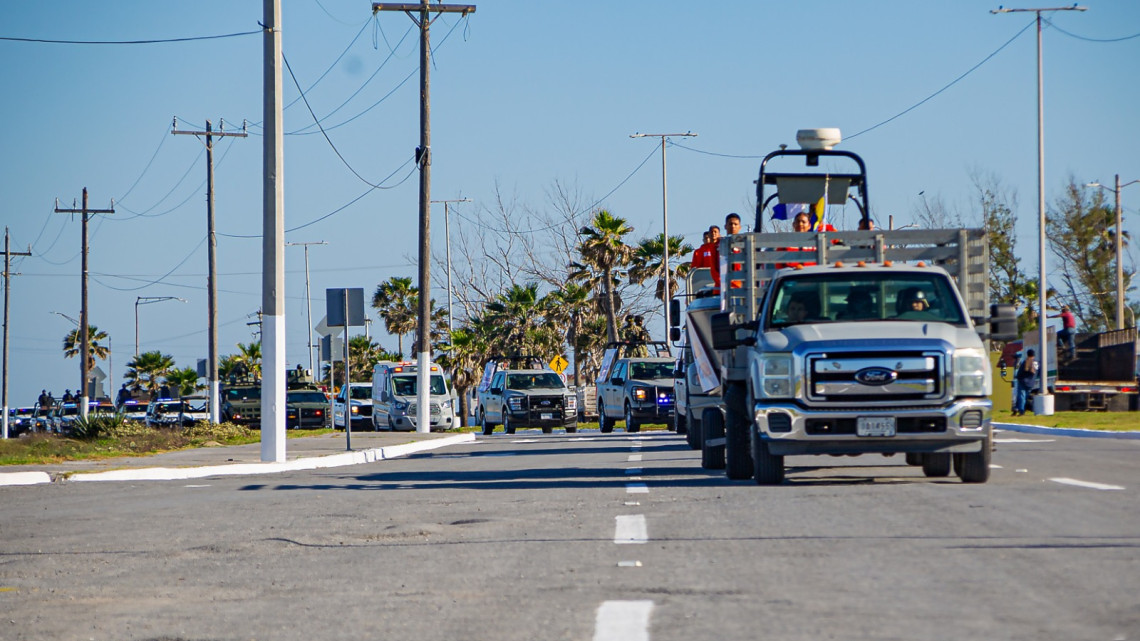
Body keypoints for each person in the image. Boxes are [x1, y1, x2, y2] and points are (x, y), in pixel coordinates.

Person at [1013, 348, 1039, 416]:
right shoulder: (1037, 363)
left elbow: (1020, 372)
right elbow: (1038, 372)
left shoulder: (1026, 362)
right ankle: (1017, 408)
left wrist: (1018, 377)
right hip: (1031, 383)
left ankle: (1021, 411)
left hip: (1023, 382)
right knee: (1025, 397)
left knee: (1021, 396)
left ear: (1027, 354)